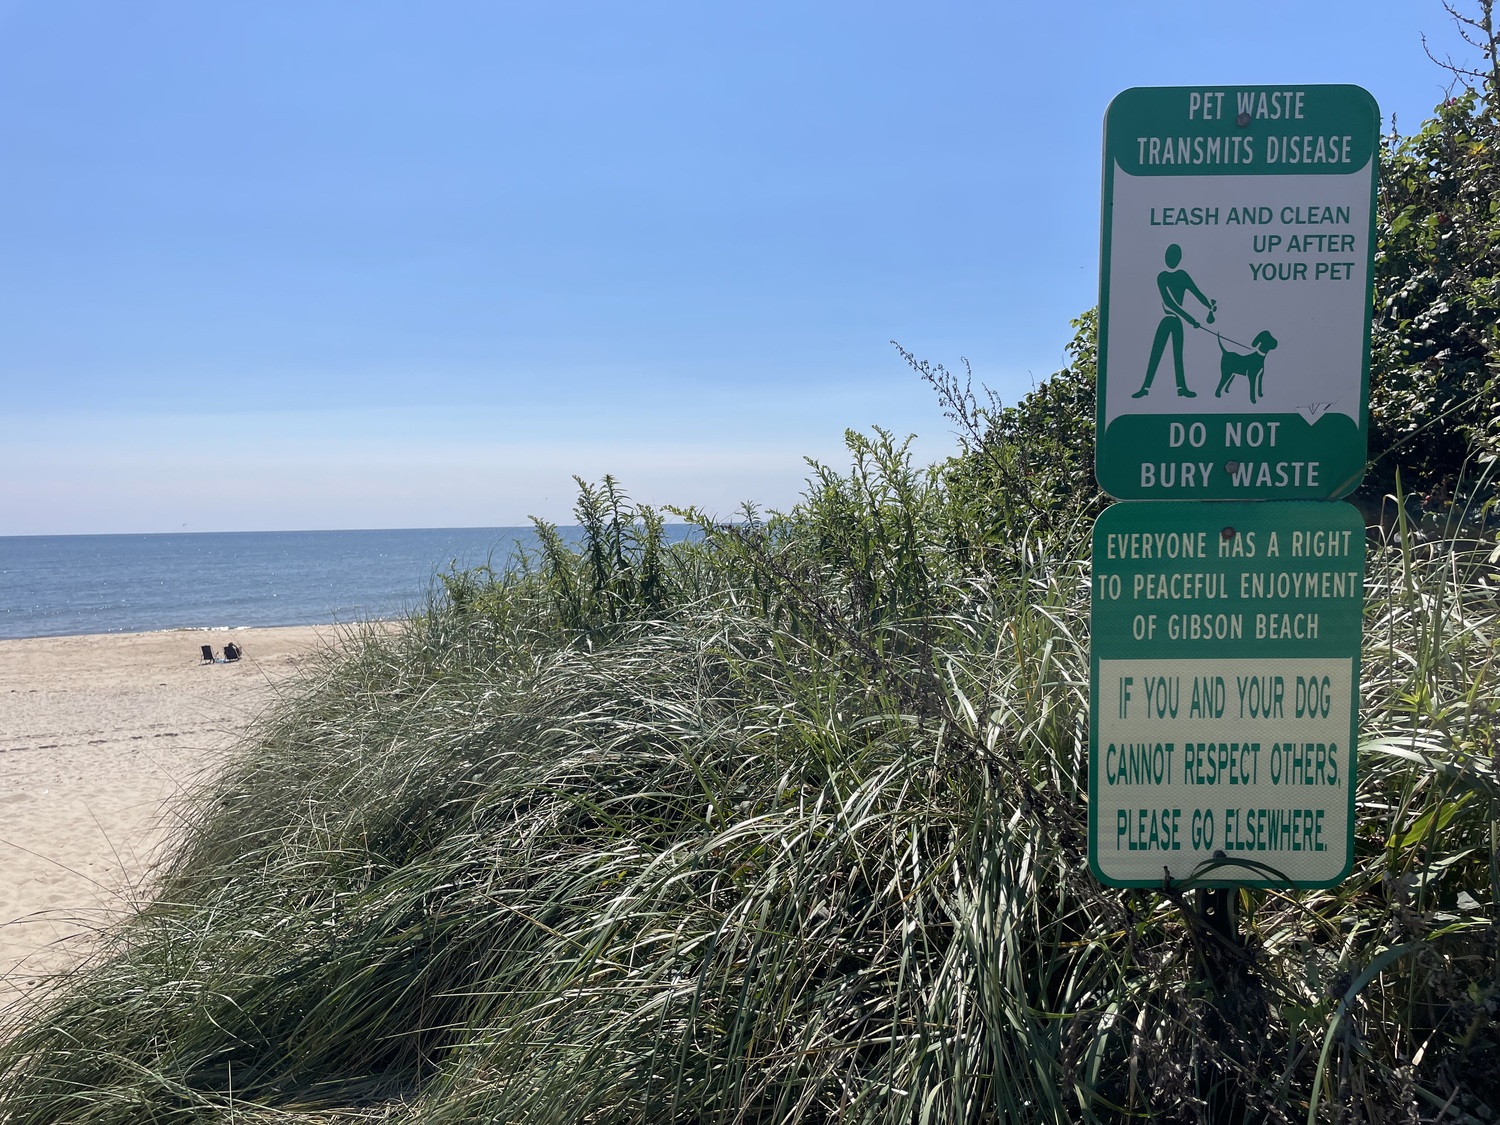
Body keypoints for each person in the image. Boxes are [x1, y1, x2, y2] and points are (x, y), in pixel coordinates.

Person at [1133, 243, 1214, 399]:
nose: (1171, 259)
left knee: (1178, 355)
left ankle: (1181, 388)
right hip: (1167, 320)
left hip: (1177, 322)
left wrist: (1209, 306)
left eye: (1174, 257)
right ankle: (1145, 387)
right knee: (1156, 353)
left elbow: (1198, 294)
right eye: (1169, 256)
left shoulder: (1183, 276)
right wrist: (1191, 319)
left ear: (1179, 259)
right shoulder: (1161, 277)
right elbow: (1169, 303)